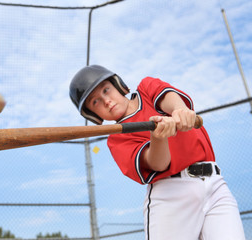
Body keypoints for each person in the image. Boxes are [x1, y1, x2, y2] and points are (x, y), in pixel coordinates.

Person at [69, 65, 245, 240]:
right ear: (93, 114)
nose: (106, 101)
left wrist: (179, 110)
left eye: (106, 90)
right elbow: (159, 164)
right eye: (95, 102)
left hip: (215, 184)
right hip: (171, 196)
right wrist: (158, 138)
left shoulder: (146, 89)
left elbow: (171, 100)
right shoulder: (117, 139)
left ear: (117, 85)